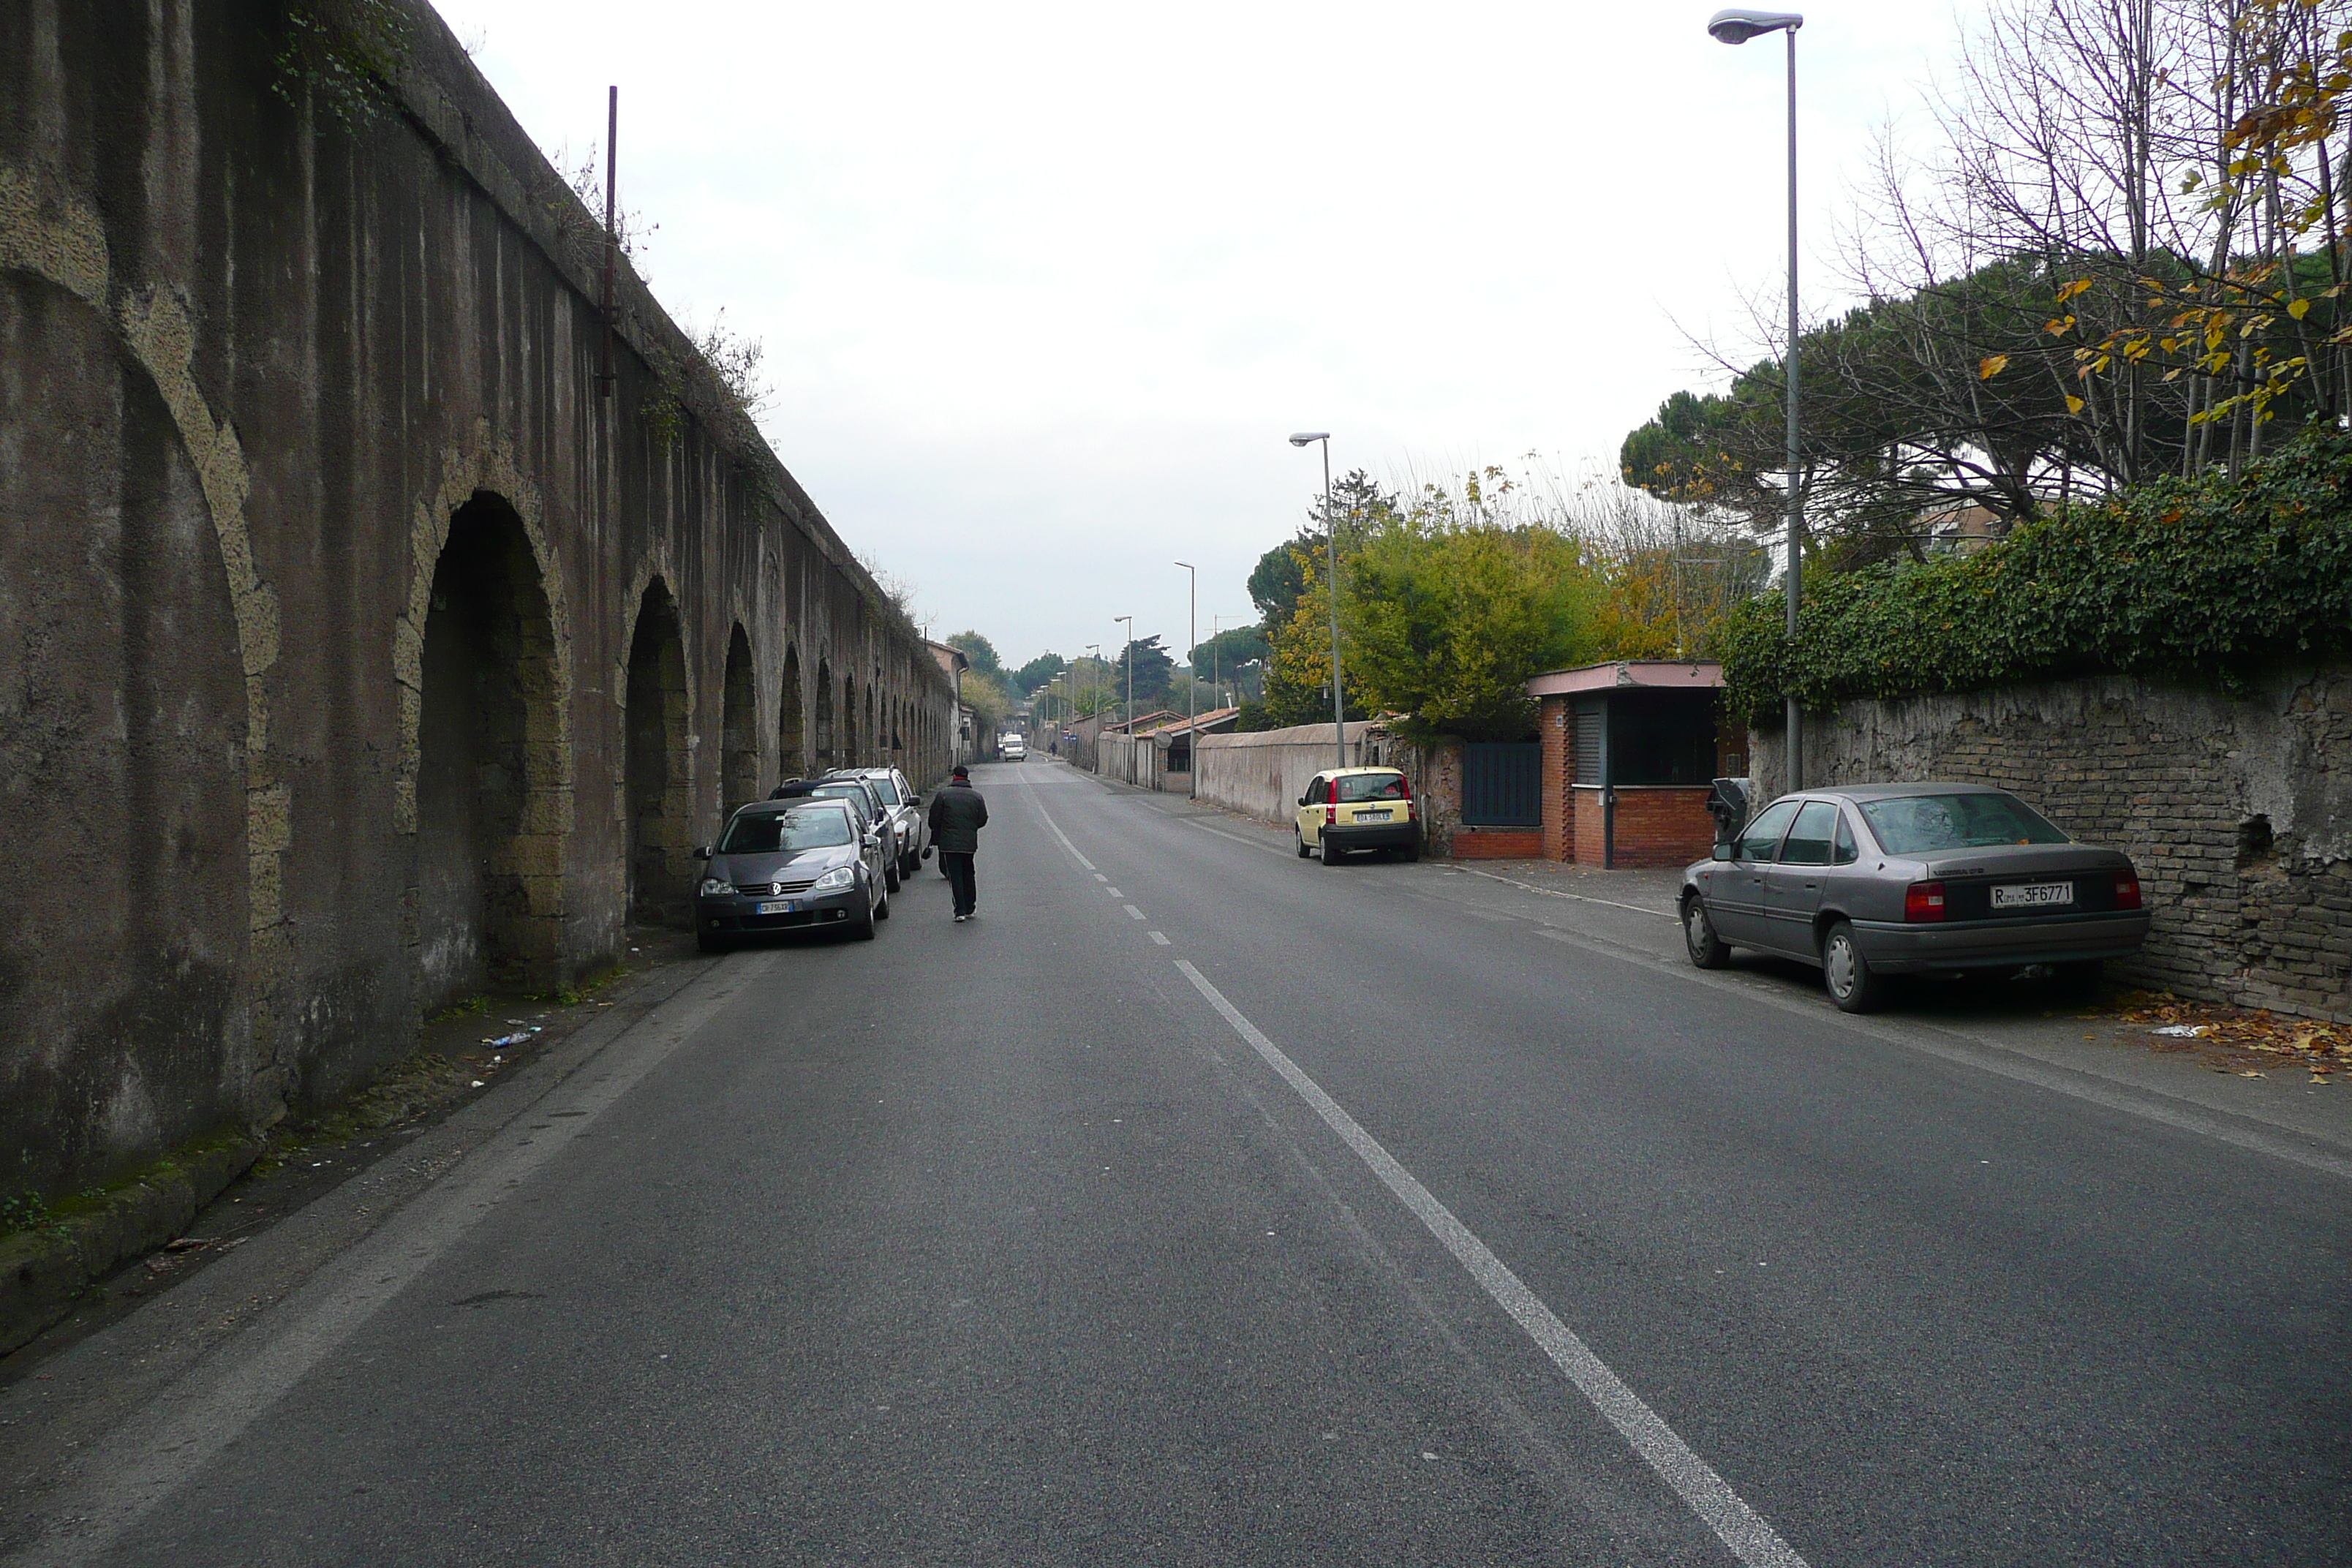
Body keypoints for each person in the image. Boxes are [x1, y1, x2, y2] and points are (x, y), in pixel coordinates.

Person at [928, 764, 988, 922]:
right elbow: (982, 819)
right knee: (969, 873)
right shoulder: (976, 797)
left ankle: (960, 910)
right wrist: (971, 827)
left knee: (955, 875)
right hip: (969, 842)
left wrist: (939, 831)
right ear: (967, 777)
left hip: (949, 844)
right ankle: (971, 907)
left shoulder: (943, 795)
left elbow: (934, 818)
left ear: (954, 777)